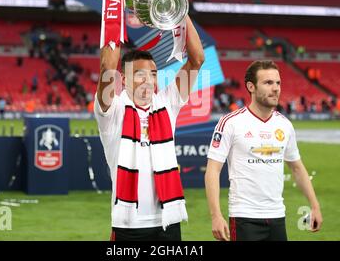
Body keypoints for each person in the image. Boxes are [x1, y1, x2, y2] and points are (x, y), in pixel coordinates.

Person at [94, 15, 204, 241]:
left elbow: (197, 59)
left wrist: (180, 11)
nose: (148, 81)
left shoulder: (166, 103)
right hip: (128, 224)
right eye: (139, 75)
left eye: (153, 74)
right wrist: (114, 11)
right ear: (123, 79)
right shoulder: (113, 110)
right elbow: (107, 66)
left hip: (168, 221)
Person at [205, 60, 322, 241]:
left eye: (278, 83)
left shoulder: (285, 125)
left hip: (277, 217)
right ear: (251, 87)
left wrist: (314, 206)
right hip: (244, 217)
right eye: (268, 83)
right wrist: (216, 216)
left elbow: (297, 168)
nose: (275, 88)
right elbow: (213, 170)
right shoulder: (230, 122)